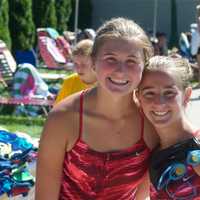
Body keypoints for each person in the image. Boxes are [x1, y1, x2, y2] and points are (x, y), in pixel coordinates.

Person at [35, 17, 158, 200]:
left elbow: (143, 194)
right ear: (93, 62)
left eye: (131, 61)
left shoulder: (151, 122)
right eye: (111, 59)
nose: (120, 71)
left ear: (144, 66)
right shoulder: (64, 118)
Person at [136, 55, 200, 199]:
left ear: (187, 95)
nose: (159, 102)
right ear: (138, 97)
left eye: (169, 92)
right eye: (149, 93)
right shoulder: (152, 150)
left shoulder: (197, 148)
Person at [55, 39, 96, 104]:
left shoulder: (105, 84)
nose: (79, 69)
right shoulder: (69, 82)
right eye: (76, 64)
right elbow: (57, 111)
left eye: (84, 64)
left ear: (95, 63)